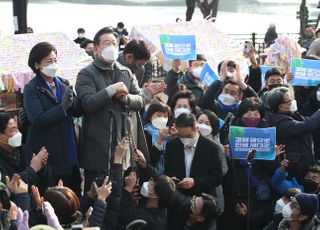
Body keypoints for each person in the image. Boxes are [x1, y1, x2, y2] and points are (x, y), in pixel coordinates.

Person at [75, 27, 165, 192]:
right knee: (96, 199)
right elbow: (87, 103)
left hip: (124, 151)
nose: (112, 47)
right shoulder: (86, 74)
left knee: (122, 201)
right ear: (96, 48)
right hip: (98, 151)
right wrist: (111, 90)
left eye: (115, 43)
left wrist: (126, 98)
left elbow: (139, 100)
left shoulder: (126, 72)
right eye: (107, 43)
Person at [24, 42, 83, 194]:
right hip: (50, 152)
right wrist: (62, 108)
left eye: (55, 60)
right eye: (49, 61)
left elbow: (77, 111)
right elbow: (37, 119)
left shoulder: (63, 83)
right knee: (55, 197)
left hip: (69, 147)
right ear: (37, 65)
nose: (54, 64)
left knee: (73, 195)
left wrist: (73, 100)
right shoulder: (32, 88)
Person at [220, 97, 278, 230]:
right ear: (241, 115)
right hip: (237, 189)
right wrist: (228, 154)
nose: (252, 117)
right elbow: (225, 168)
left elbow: (274, 168)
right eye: (248, 114)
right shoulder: (232, 133)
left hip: (259, 191)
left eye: (256, 114)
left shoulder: (267, 134)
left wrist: (274, 155)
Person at [267, 87, 320, 181]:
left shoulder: (291, 115)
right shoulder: (280, 122)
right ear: (281, 107)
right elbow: (307, 125)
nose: (293, 102)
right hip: (293, 174)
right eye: (289, 101)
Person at [0, 113, 48, 187]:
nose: (18, 133)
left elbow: (43, 182)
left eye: (17, 128)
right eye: (13, 129)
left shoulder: (25, 149)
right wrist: (32, 169)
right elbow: (8, 186)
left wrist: (42, 167)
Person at [143, 101, 172, 173]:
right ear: (150, 117)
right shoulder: (145, 133)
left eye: (165, 116)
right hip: (150, 175)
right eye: (159, 115)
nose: (162, 119)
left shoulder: (170, 134)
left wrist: (174, 138)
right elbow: (149, 160)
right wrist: (159, 140)